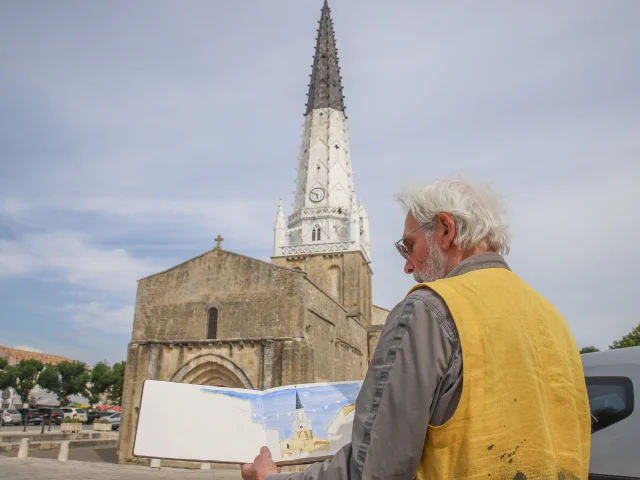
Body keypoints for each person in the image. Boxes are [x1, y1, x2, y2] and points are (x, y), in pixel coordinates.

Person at [241, 178, 591, 480]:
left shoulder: (429, 309)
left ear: (446, 230)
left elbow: (376, 469)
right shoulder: (553, 319)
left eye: (408, 246)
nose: (408, 266)